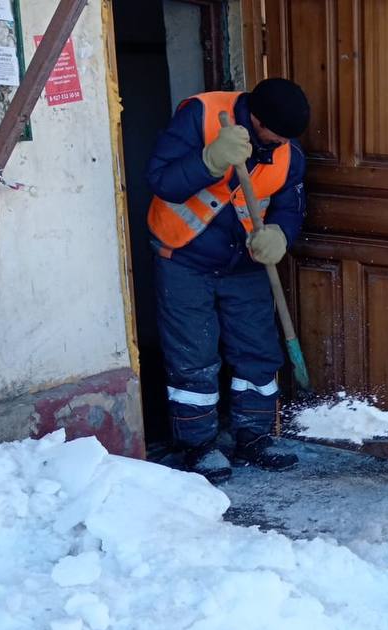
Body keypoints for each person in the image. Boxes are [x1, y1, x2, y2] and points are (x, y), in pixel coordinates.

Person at [146, 78, 309, 482]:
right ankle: (198, 446)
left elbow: (291, 205)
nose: (281, 144)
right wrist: (208, 162)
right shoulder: (201, 115)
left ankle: (253, 437)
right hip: (184, 257)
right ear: (255, 118)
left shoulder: (288, 153)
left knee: (257, 351)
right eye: (275, 135)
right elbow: (160, 180)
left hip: (245, 265)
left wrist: (281, 235)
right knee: (193, 357)